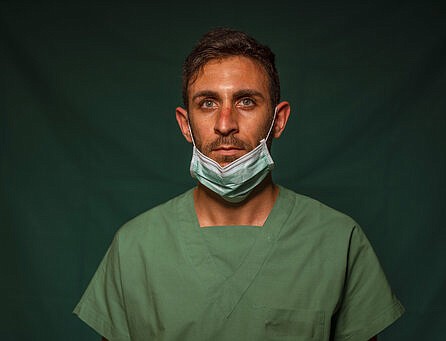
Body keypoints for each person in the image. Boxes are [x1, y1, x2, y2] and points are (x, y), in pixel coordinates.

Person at [74, 28, 404, 341]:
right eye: (207, 103)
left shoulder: (336, 241)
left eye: (246, 101)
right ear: (185, 125)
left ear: (279, 120)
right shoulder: (136, 248)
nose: (225, 124)